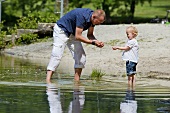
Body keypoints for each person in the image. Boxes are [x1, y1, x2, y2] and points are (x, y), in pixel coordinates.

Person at [46, 8, 106, 83]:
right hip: (61, 30)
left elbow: (90, 35)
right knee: (57, 55)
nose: (99, 24)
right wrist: (93, 43)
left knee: (81, 57)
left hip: (73, 33)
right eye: (99, 21)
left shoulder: (92, 20)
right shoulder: (82, 16)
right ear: (94, 17)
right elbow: (78, 36)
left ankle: (76, 82)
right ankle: (48, 81)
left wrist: (97, 41)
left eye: (101, 22)